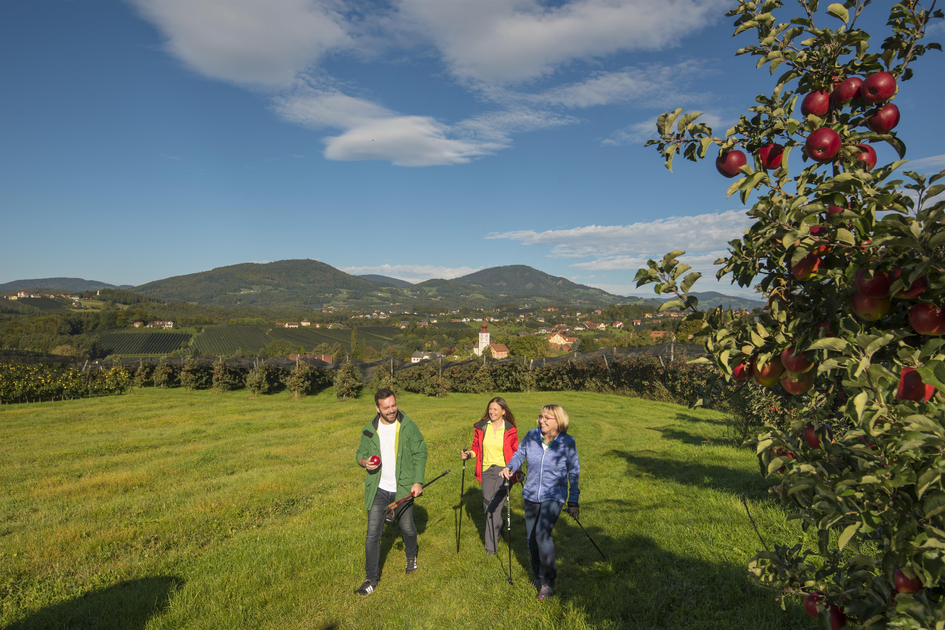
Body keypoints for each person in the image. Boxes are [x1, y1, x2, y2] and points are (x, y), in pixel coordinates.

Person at [500, 404, 579, 601]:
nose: (541, 421)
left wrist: (573, 500)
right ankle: (537, 576)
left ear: (558, 422)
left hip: (554, 494)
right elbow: (519, 454)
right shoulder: (532, 435)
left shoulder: (567, 442)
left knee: (542, 535)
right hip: (531, 493)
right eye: (540, 417)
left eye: (547, 418)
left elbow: (574, 471)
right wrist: (510, 467)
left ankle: (548, 582)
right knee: (531, 540)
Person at [354, 388, 427, 596]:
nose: (391, 410)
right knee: (373, 534)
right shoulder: (370, 429)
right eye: (386, 407)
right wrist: (364, 462)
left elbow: (420, 452)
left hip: (403, 488)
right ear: (377, 408)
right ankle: (371, 579)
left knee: (408, 528)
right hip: (378, 489)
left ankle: (411, 555)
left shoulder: (408, 426)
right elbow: (360, 453)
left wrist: (417, 481)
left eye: (393, 405)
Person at [461, 397, 519, 556]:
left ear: (503, 411)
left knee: (493, 509)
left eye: (495, 409)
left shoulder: (509, 429)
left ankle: (490, 549)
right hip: (486, 471)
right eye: (490, 409)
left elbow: (516, 453)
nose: (492, 412)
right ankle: (498, 525)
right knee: (488, 507)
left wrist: (512, 469)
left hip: (504, 471)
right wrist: (468, 455)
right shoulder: (481, 427)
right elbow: (475, 448)